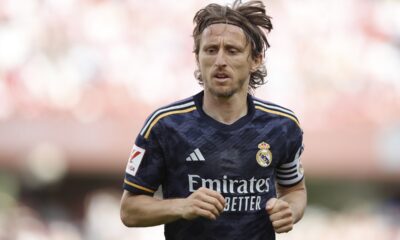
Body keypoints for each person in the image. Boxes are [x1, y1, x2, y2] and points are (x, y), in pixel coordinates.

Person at [120, 1, 307, 239]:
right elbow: (129, 210)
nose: (220, 60)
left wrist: (289, 209)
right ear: (197, 58)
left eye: (232, 50)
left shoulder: (282, 126)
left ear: (256, 60)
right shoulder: (165, 125)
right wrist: (182, 206)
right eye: (210, 50)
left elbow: (295, 190)